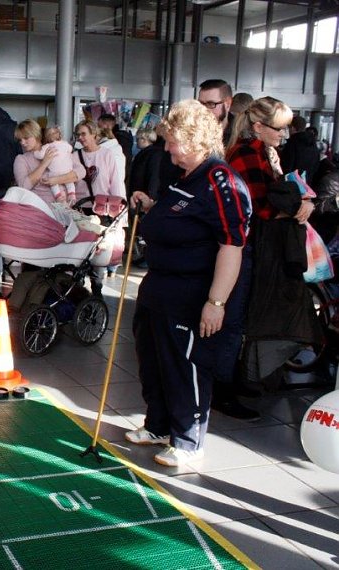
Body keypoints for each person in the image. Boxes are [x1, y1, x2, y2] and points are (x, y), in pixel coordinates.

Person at [128, 99, 251, 467]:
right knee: (153, 360)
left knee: (186, 365)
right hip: (159, 287)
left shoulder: (221, 180)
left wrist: (216, 303)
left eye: (173, 142)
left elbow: (233, 245)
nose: (167, 149)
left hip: (192, 292)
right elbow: (177, 216)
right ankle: (159, 425)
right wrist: (150, 205)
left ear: (195, 140)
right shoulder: (184, 175)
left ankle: (189, 440)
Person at [227, 96, 322, 388]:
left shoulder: (263, 152)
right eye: (278, 128)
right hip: (250, 246)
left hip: (258, 246)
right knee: (239, 318)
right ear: (258, 125)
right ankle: (230, 383)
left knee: (248, 316)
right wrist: (298, 209)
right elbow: (259, 207)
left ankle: (240, 379)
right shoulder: (247, 153)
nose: (283, 134)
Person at [73, 120, 127, 285]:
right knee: (79, 249)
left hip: (102, 209)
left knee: (100, 249)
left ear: (94, 134)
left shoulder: (107, 154)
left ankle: (97, 286)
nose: (80, 138)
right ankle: (79, 285)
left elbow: (115, 182)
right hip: (81, 208)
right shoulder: (75, 156)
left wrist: (119, 209)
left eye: (84, 134)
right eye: (78, 134)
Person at [13, 119, 85, 209]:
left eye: (26, 138)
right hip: (40, 211)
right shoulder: (21, 159)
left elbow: (81, 171)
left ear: (37, 135)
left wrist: (55, 180)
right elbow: (23, 186)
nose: (22, 143)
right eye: (20, 140)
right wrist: (44, 163)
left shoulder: (56, 148)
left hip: (66, 209)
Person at [33, 129, 76, 204]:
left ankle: (58, 197)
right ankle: (72, 194)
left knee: (53, 184)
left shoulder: (47, 146)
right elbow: (70, 149)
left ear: (47, 137)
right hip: (67, 170)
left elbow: (40, 155)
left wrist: (35, 152)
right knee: (70, 182)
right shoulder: (65, 143)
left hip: (55, 172)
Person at [281, 115, 320, 184]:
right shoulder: (313, 144)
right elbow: (316, 165)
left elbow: (287, 167)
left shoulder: (292, 144)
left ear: (292, 128)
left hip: (293, 185)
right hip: (308, 184)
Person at [128, 127, 165, 200]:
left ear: (144, 140)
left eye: (138, 139)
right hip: (139, 194)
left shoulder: (153, 154)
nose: (137, 141)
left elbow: (154, 176)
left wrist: (150, 197)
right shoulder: (148, 153)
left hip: (142, 196)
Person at [197, 79, 235, 146]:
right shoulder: (190, 131)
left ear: (228, 104)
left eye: (211, 104)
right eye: (201, 104)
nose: (204, 109)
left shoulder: (241, 135)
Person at [98, 113, 133, 185]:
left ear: (106, 125)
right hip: (121, 176)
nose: (97, 128)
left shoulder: (118, 140)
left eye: (99, 125)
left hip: (114, 178)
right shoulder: (125, 136)